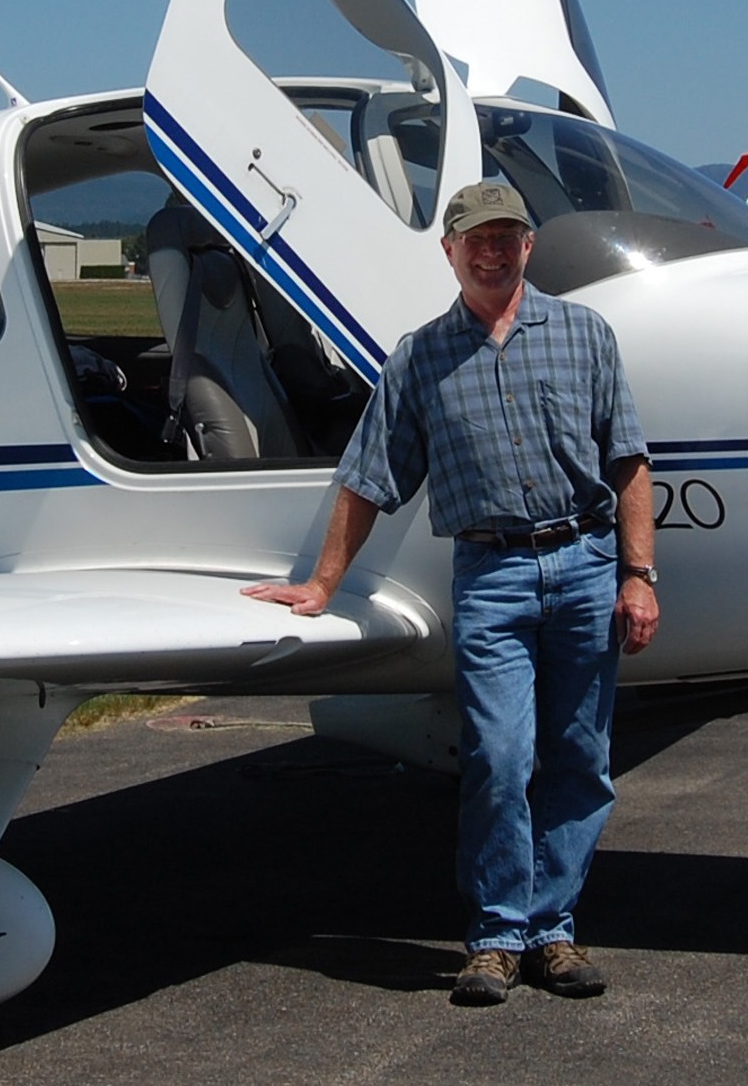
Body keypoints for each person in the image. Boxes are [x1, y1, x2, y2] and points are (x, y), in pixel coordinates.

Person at [247, 179, 658, 1006]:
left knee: (580, 761)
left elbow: (629, 462)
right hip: (492, 576)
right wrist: (322, 584)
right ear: (450, 251)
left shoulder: (585, 336)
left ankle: (553, 932)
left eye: (506, 235)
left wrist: (637, 574)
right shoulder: (421, 356)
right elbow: (368, 478)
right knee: (500, 761)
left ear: (527, 246)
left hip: (583, 564)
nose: (492, 249)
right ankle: (498, 936)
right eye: (475, 237)